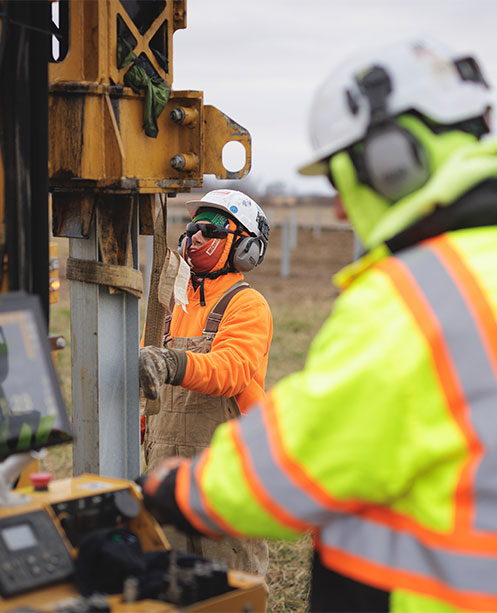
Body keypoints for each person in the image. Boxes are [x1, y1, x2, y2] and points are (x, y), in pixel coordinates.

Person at [139, 36, 497, 612]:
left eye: (340, 179)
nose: (336, 208)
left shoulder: (418, 294)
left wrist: (178, 490)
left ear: (390, 162)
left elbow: (297, 460)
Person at [139, 188, 272, 576]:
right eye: (193, 227)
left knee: (230, 583)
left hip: (227, 474)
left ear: (245, 246)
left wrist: (171, 362)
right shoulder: (170, 307)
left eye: (210, 229)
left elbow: (231, 370)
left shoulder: (246, 305)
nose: (195, 236)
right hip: (166, 475)